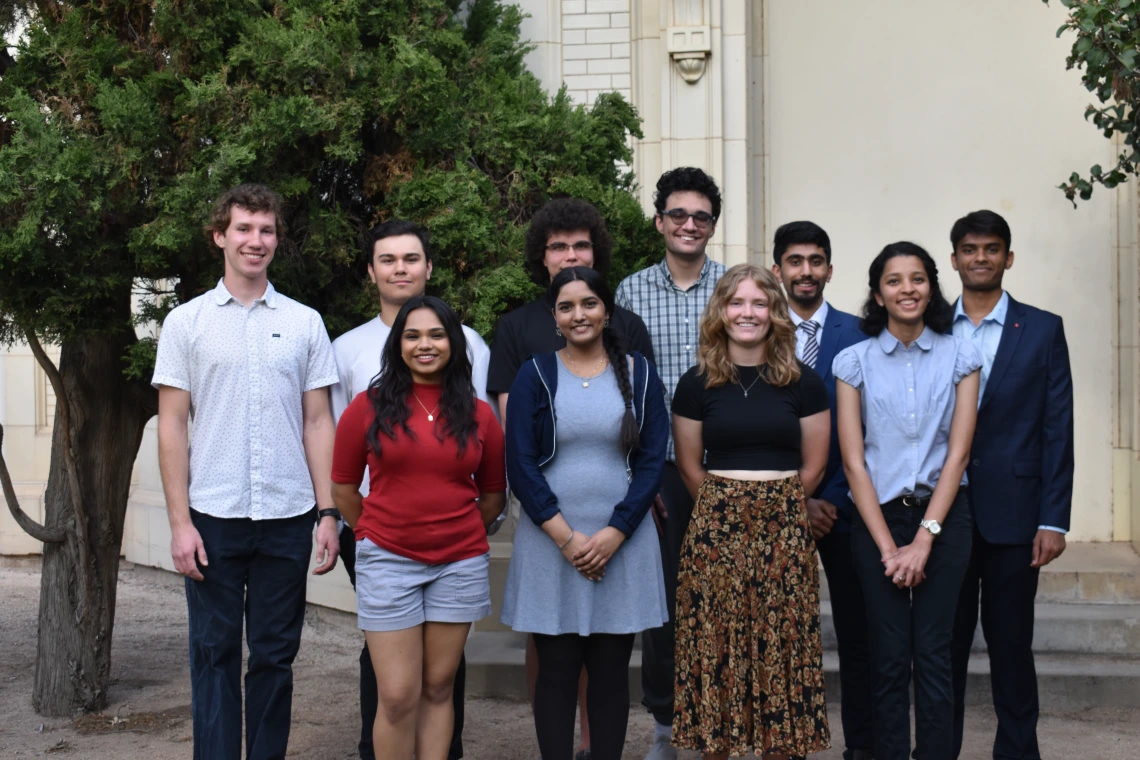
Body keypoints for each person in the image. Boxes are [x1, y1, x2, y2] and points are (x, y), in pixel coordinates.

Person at [153, 184, 341, 759]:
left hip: (287, 518)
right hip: (213, 517)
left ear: (276, 240)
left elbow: (317, 423)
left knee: (274, 657)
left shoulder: (306, 323)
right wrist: (180, 524)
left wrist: (329, 512)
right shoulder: (186, 324)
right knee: (212, 655)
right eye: (243, 229)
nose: (255, 241)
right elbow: (173, 427)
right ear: (220, 236)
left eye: (266, 230)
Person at [487, 196, 654, 760]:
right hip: (549, 540)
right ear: (553, 315)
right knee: (556, 669)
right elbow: (521, 461)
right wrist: (563, 535)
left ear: (607, 309)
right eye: (566, 307)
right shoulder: (535, 372)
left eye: (589, 303)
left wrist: (615, 532)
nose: (578, 314)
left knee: (610, 672)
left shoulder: (639, 372)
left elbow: (652, 459)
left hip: (621, 541)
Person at [330, 219, 493, 760]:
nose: (426, 345)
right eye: (413, 336)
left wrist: (458, 524)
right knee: (397, 695)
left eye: (437, 335)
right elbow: (344, 485)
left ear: (455, 343)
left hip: (458, 561)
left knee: (439, 686)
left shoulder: (478, 413)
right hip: (388, 558)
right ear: (397, 345)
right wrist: (373, 526)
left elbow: (492, 494)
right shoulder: (368, 406)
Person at [671, 263, 832, 760]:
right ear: (721, 312)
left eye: (759, 303)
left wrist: (770, 511)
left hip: (784, 533)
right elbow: (689, 466)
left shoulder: (804, 383)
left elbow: (817, 464)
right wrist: (731, 512)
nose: (748, 313)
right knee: (716, 653)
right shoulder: (696, 384)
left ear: (774, 313)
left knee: (783, 652)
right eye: (737, 303)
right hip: (715, 536)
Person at [833, 242, 982, 760]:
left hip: (944, 519)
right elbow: (854, 463)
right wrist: (888, 547)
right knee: (889, 656)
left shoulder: (961, 354)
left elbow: (959, 454)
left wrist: (923, 540)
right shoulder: (853, 361)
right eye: (894, 281)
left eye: (917, 279)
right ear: (878, 293)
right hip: (877, 521)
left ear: (931, 286)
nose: (907, 289)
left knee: (934, 654)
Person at [947, 211, 1074, 760]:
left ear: (1008, 257)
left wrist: (1053, 517)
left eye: (991, 249)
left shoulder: (1043, 328)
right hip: (942, 515)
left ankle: (1019, 752)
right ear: (954, 259)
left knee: (1011, 647)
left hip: (1017, 516)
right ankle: (936, 749)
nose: (981, 258)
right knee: (940, 649)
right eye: (970, 249)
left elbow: (1058, 427)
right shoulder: (927, 325)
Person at [614, 167, 726, 760]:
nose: (689, 224)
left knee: (725, 597)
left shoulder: (736, 288)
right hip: (659, 469)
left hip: (731, 467)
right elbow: (622, 385)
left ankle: (723, 720)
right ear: (660, 222)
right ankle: (665, 723)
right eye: (678, 215)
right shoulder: (629, 292)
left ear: (713, 224)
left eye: (700, 216)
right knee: (664, 600)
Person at [770, 221, 874, 760]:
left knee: (857, 638)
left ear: (830, 269)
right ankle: (783, 744)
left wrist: (827, 497)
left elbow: (870, 426)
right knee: (780, 635)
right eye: (795, 261)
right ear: (778, 270)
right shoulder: (754, 332)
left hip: (844, 507)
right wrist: (793, 501)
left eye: (815, 261)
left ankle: (861, 746)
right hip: (770, 507)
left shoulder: (861, 334)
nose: (805, 271)